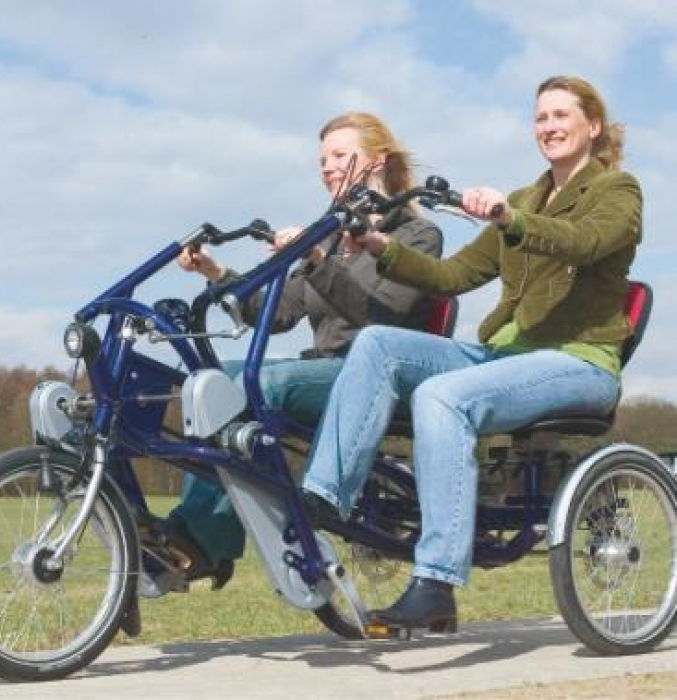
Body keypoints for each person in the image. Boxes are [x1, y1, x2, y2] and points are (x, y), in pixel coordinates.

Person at [301, 76, 642, 631]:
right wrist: (383, 248)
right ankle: (326, 496)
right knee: (379, 343)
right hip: (508, 357)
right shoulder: (530, 196)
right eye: (540, 119)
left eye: (561, 116)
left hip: (579, 360)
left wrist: (512, 220)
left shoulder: (617, 191)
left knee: (442, 396)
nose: (549, 127)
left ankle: (435, 581)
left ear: (593, 126)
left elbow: (585, 243)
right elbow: (450, 275)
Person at [148, 112, 444, 589]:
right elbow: (278, 312)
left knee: (259, 382)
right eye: (323, 159)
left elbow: (383, 318)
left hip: (378, 377)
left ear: (378, 161)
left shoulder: (416, 237)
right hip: (325, 374)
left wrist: (318, 261)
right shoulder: (327, 236)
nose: (327, 167)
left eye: (340, 156)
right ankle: (205, 536)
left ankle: (198, 540)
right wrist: (217, 273)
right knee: (218, 380)